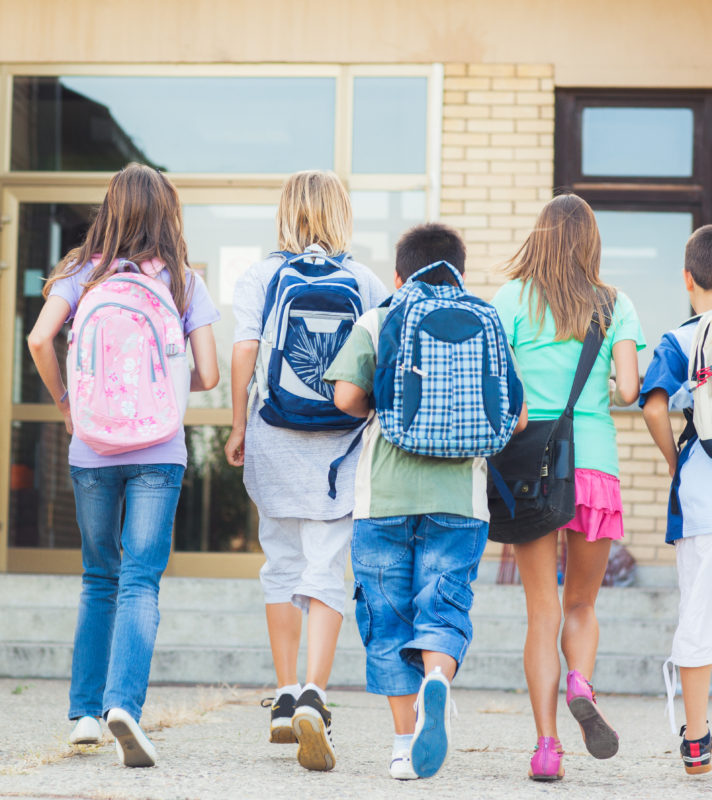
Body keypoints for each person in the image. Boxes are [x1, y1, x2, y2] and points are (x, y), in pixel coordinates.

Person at [28, 163, 220, 768]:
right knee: (140, 579)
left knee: (97, 576)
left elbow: (38, 340)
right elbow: (211, 375)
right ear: (167, 212)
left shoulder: (81, 271)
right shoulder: (185, 281)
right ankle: (123, 708)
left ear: (109, 208)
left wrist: (67, 403)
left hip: (90, 450)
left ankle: (84, 713)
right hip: (158, 452)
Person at [325, 222, 525, 780]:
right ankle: (438, 677)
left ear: (399, 272)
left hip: (383, 497)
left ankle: (400, 744)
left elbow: (346, 396)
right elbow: (518, 414)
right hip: (460, 498)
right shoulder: (487, 319)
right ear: (459, 268)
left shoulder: (381, 317)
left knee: (387, 620)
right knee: (442, 607)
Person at [224, 170, 386, 772]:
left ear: (286, 212)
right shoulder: (364, 279)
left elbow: (244, 350)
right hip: (341, 447)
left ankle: (285, 692)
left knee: (280, 563)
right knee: (326, 565)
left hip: (274, 434)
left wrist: (238, 425)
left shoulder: (261, 276)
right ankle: (316, 694)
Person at [491, 194, 644, 780]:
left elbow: (500, 385)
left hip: (530, 468)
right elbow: (628, 390)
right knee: (582, 603)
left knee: (541, 611)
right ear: (591, 242)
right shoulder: (616, 303)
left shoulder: (511, 299)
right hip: (595, 467)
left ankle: (547, 748)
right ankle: (581, 680)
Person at [641, 224, 712, 776]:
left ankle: (696, 740)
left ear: (688, 278)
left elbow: (651, 405)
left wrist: (673, 458)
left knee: (698, 611)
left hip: (701, 497)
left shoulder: (682, 338)